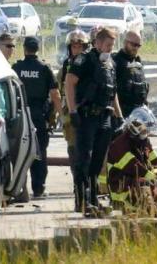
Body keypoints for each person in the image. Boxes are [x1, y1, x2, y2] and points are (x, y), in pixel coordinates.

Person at [65, 27, 123, 215]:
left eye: (112, 46)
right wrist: (73, 110)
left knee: (98, 162)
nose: (109, 49)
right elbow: (69, 82)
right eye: (107, 45)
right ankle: (82, 201)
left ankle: (93, 200)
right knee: (85, 160)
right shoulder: (85, 60)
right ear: (97, 42)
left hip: (104, 118)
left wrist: (119, 116)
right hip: (87, 117)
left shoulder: (110, 63)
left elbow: (111, 91)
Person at [12, 37, 62, 198]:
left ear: (25, 49)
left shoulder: (16, 68)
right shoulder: (44, 68)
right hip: (39, 116)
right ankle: (38, 189)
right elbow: (55, 94)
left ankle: (19, 188)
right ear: (37, 49)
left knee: (19, 152)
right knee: (39, 153)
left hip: (20, 116)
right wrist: (58, 115)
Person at [106, 107, 157, 214]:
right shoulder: (120, 144)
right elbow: (133, 166)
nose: (147, 133)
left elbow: (154, 159)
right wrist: (151, 177)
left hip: (141, 182)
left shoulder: (143, 140)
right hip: (124, 189)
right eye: (145, 130)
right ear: (135, 128)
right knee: (148, 208)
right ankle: (128, 207)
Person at [57, 29, 90, 206]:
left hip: (87, 116)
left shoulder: (90, 64)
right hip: (70, 119)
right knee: (74, 154)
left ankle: (91, 190)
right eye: (74, 47)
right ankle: (79, 190)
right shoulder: (65, 66)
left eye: (80, 46)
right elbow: (60, 89)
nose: (77, 50)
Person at [113, 31, 149, 127]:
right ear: (125, 42)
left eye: (138, 45)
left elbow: (143, 90)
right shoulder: (116, 62)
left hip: (138, 115)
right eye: (133, 44)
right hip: (122, 115)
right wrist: (118, 116)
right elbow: (112, 93)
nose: (136, 48)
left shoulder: (138, 63)